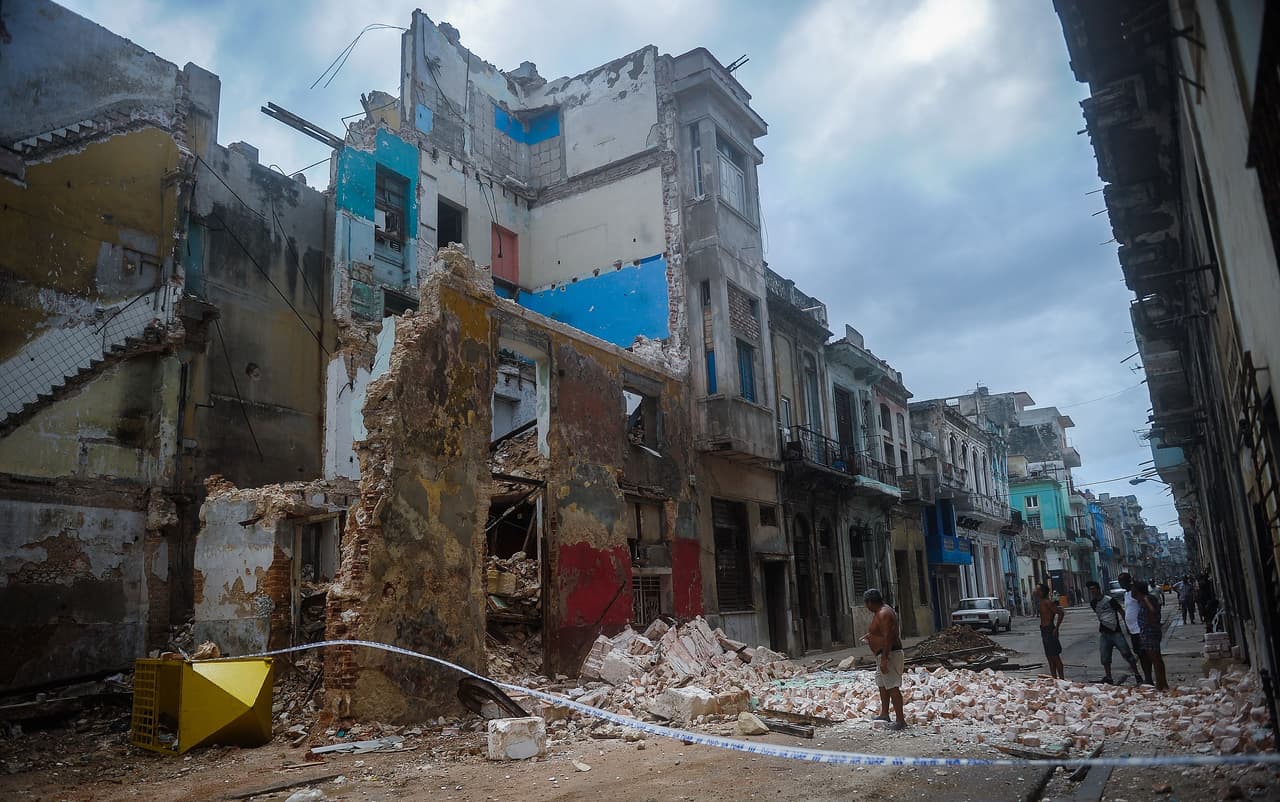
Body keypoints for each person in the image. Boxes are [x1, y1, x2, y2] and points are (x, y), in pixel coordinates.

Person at [860, 588, 906, 730]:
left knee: (892, 687)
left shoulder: (884, 613)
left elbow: (889, 637)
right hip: (882, 655)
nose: (866, 607)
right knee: (882, 684)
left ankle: (900, 720)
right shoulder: (881, 612)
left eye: (866, 604)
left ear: (871, 602)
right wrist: (871, 636)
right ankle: (885, 713)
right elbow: (881, 632)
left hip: (889, 654)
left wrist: (885, 658)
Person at [1086, 580, 1142, 684]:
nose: (1092, 591)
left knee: (1127, 653)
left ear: (1098, 589)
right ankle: (1108, 677)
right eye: (1091, 590)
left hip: (1116, 631)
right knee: (1105, 656)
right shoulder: (1093, 603)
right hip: (1104, 632)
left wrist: (1127, 626)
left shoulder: (1110, 600)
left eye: (1094, 589)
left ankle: (1137, 674)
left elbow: (1121, 612)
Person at [1117, 572, 1155, 685]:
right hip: (1133, 630)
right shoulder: (1127, 594)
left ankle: (1149, 678)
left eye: (1122, 581)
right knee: (1140, 654)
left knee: (1146, 655)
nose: (1120, 583)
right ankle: (1146, 678)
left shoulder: (1136, 594)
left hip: (1141, 629)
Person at [1131, 580, 1168, 690]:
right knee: (1155, 658)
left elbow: (1152, 611)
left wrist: (1151, 624)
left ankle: (1161, 684)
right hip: (1147, 632)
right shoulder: (1141, 601)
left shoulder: (1147, 599)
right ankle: (1162, 683)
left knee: (1155, 658)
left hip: (1150, 632)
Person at [1035, 584, 1066, 679]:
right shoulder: (1041, 603)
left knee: (1055, 656)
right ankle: (1054, 678)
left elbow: (1060, 613)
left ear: (1042, 592)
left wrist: (1056, 628)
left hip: (1049, 629)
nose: (1036, 592)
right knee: (1049, 657)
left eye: (1038, 590)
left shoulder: (1048, 603)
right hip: (1044, 630)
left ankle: (1061, 679)